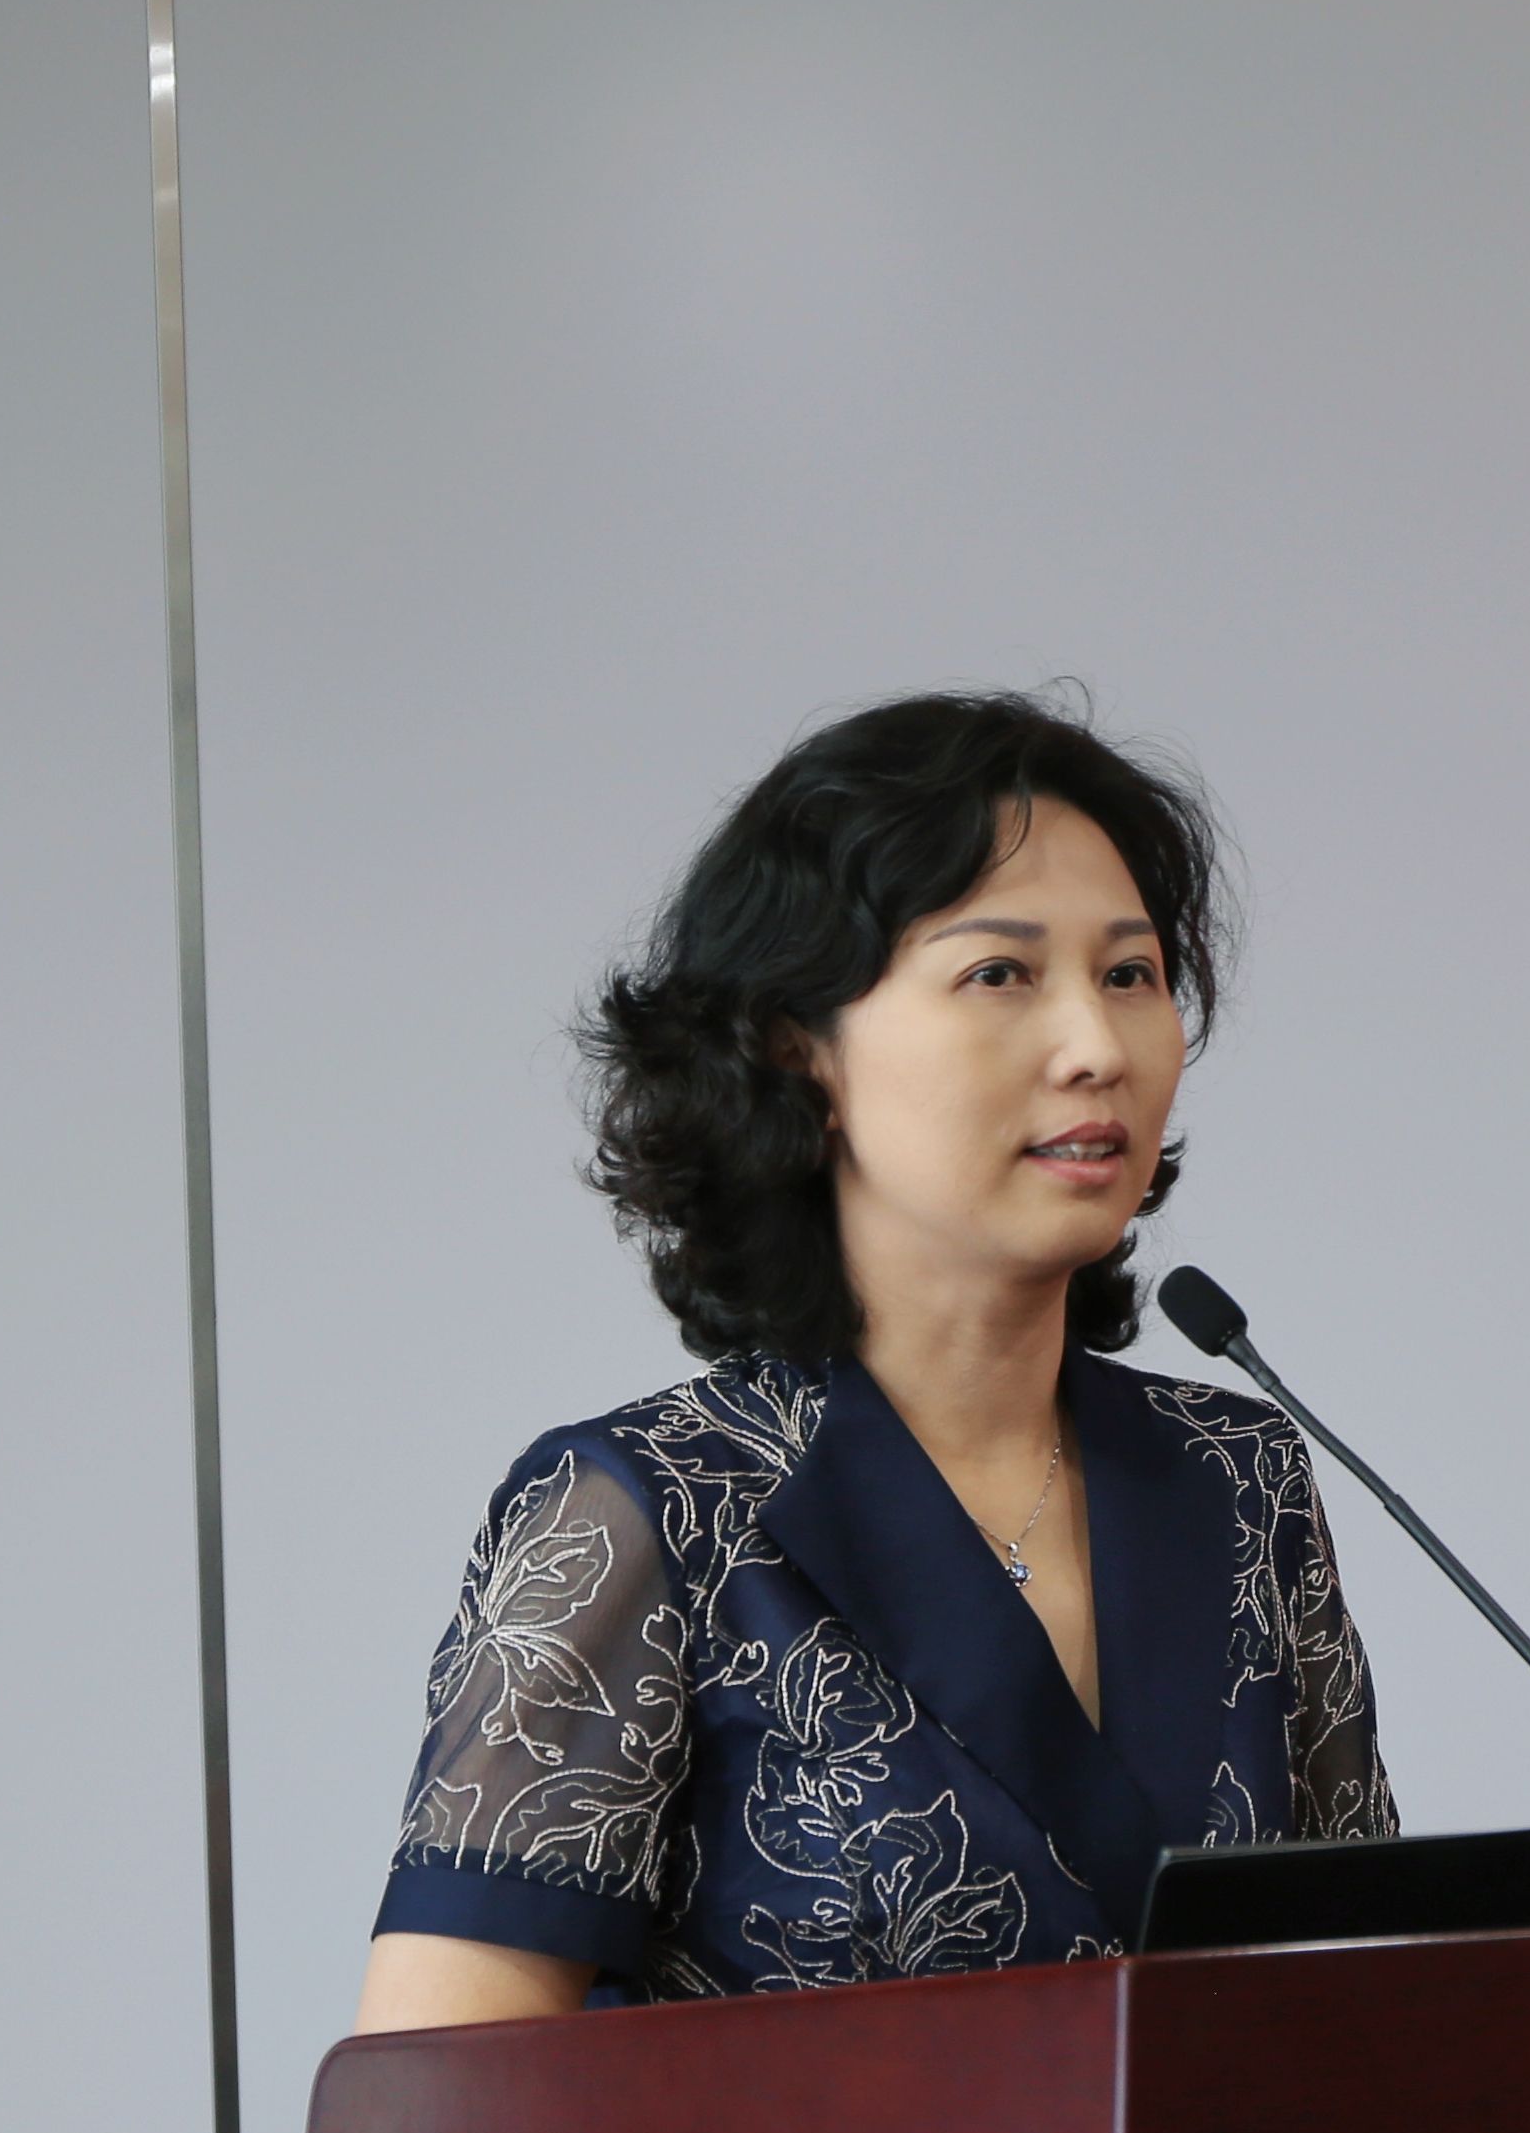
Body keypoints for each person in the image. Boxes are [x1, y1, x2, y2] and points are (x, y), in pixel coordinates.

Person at [352, 690, 1398, 2031]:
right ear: (798, 1048)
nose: (1096, 1048)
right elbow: (438, 2108)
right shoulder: (642, 1512)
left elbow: (1377, 1999)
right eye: (1000, 974)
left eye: (1130, 974)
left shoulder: (1238, 1475)